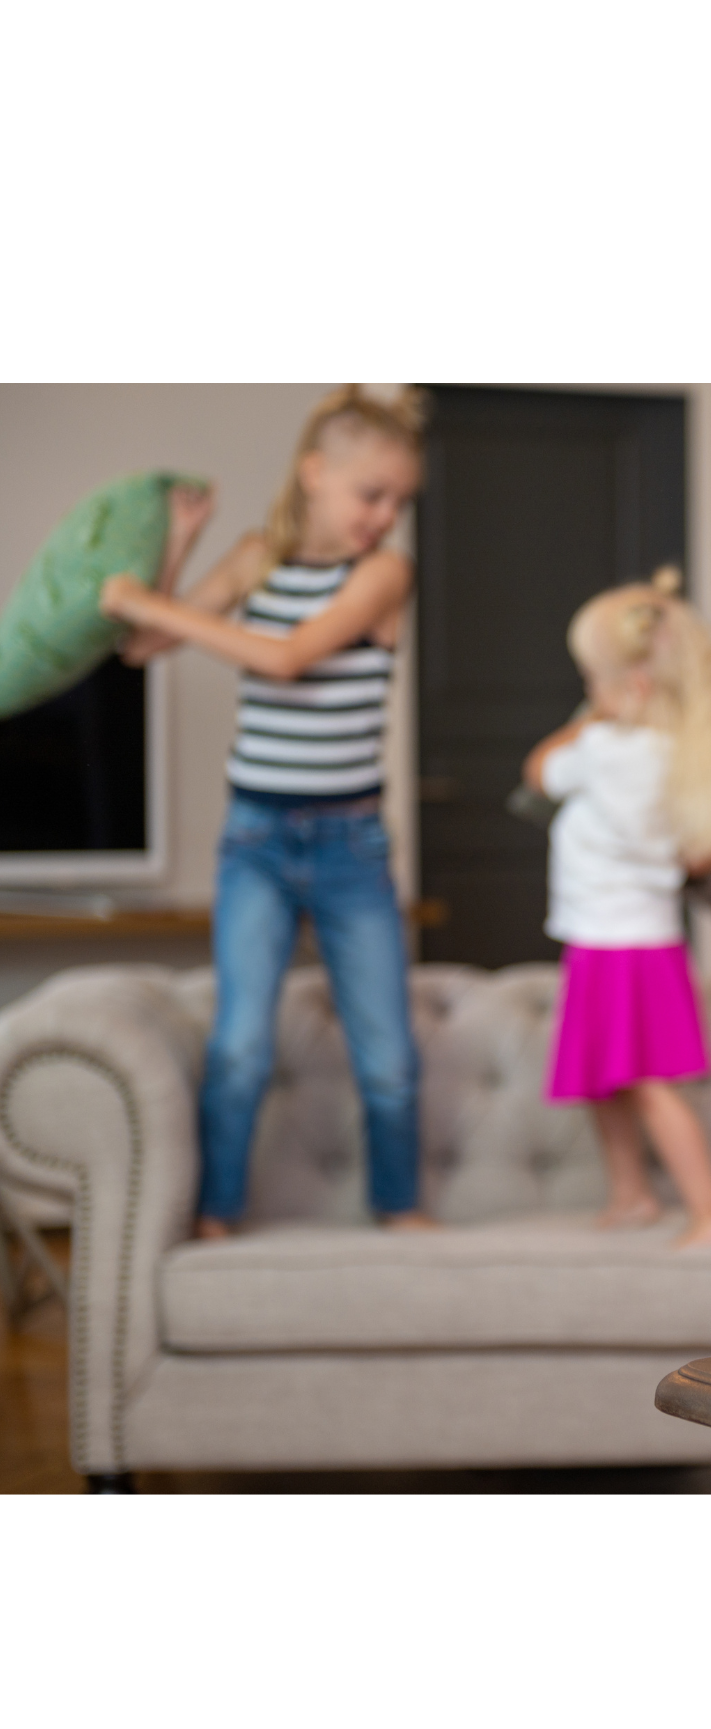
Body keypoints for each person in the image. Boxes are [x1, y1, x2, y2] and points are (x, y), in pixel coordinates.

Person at [99, 385, 431, 1237]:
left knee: (387, 1058)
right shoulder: (255, 558)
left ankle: (399, 1209)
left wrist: (143, 599)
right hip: (255, 837)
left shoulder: (383, 573)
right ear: (315, 474)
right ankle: (216, 1214)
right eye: (372, 494)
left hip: (351, 844)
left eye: (399, 500)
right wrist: (179, 549)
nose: (384, 514)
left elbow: (285, 659)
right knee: (240, 1045)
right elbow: (145, 647)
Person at [523, 569, 711, 1248]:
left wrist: (591, 717)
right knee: (606, 1081)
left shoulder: (598, 750)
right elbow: (691, 860)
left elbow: (537, 771)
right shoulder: (676, 759)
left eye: (591, 681)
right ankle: (632, 1196)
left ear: (630, 687)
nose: (586, 696)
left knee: (644, 1084)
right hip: (635, 939)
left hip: (613, 944)